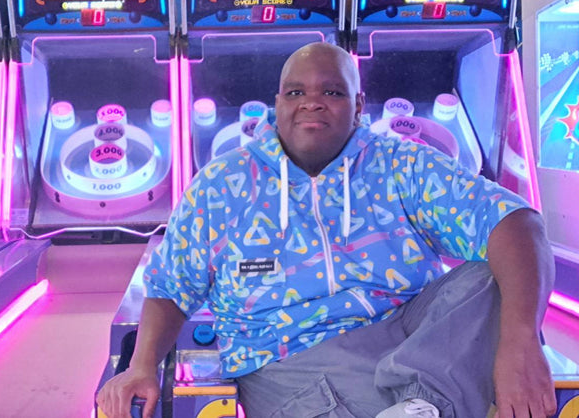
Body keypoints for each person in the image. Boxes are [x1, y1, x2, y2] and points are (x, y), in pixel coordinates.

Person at [96, 42, 557, 418]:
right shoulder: (222, 183)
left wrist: (520, 343)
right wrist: (140, 366)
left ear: (358, 106)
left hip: (407, 341)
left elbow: (517, 222)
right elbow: (171, 286)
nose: (311, 102)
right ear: (276, 104)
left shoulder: (400, 163)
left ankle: (423, 406)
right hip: (291, 362)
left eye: (332, 92)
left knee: (491, 274)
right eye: (295, 92)